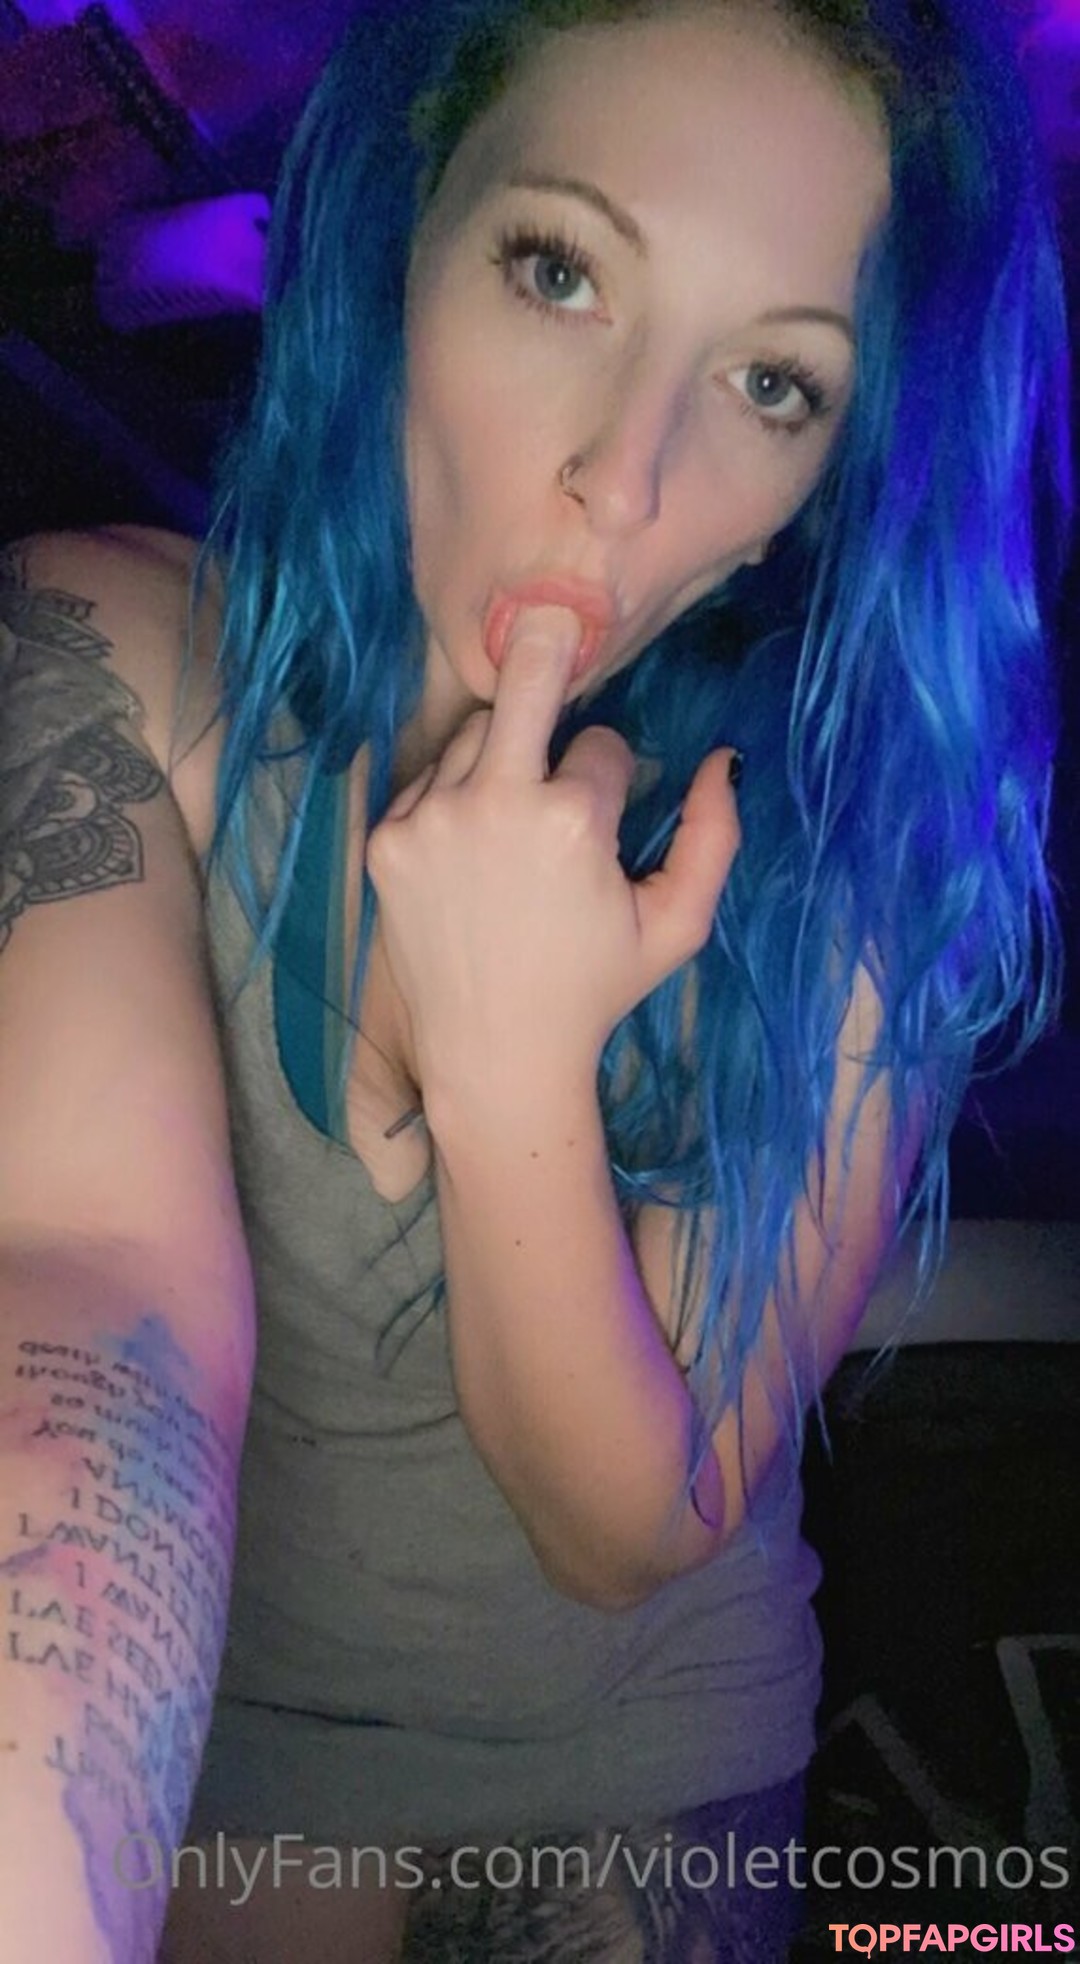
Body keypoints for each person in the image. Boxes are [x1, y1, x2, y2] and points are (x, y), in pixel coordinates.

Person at [0, 0, 1070, 1958]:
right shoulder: (117, 660)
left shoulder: (844, 852)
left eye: (774, 383)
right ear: (406, 224)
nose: (625, 479)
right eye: (561, 272)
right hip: (243, 1766)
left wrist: (511, 1070)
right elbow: (76, 1275)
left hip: (648, 1761)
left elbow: (632, 1522)